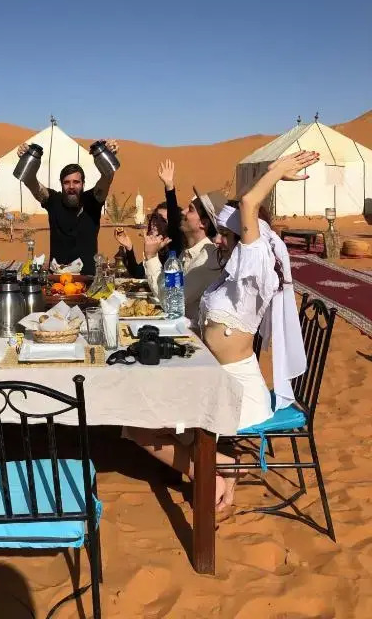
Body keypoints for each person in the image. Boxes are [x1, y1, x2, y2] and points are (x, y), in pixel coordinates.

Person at [126, 151, 317, 511]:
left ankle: (216, 469)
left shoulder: (255, 272)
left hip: (236, 393)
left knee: (139, 425)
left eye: (226, 236)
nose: (218, 241)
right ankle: (217, 465)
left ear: (246, 239)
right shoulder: (230, 277)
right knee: (139, 416)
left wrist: (275, 171)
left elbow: (248, 205)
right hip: (211, 381)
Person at [16, 139, 120, 276]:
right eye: (67, 182)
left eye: (76, 182)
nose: (71, 186)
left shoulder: (93, 200)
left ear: (83, 184)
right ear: (61, 184)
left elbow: (107, 177)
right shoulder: (53, 200)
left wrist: (107, 153)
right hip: (58, 280)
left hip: (88, 279)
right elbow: (30, 180)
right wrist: (27, 156)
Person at [144, 163, 225, 326]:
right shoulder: (187, 254)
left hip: (193, 336)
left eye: (191, 209)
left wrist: (151, 257)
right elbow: (164, 291)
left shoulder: (207, 260)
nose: (183, 212)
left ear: (203, 223)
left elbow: (171, 302)